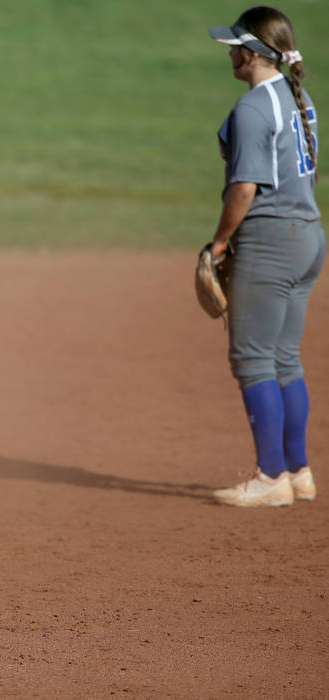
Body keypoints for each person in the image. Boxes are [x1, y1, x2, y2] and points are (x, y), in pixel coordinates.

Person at [206, 7, 324, 507]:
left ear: (252, 53)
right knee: (283, 360)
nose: (231, 53)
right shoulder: (299, 99)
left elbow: (246, 187)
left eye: (235, 46)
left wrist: (218, 242)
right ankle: (297, 471)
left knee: (253, 361)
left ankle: (270, 477)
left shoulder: (253, 108)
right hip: (308, 235)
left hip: (271, 240)